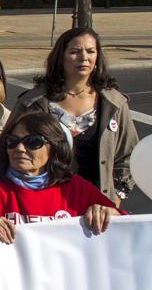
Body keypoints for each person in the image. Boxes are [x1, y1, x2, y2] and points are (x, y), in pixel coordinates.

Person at [9, 27, 135, 204]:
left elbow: (128, 155)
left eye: (90, 51)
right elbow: (8, 148)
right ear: (61, 57)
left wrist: (117, 193)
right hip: (44, 203)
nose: (84, 57)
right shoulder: (32, 102)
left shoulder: (114, 103)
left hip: (97, 206)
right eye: (75, 52)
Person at [0, 111, 124, 244]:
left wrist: (110, 214)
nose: (19, 148)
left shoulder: (77, 188)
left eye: (33, 142)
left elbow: (127, 227)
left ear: (54, 147)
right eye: (12, 141)